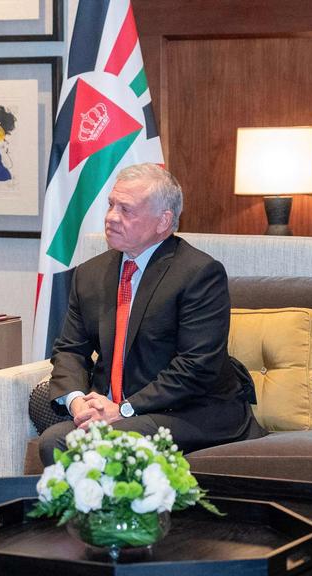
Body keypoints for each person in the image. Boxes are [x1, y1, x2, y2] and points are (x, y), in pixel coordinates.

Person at [39, 163, 262, 466]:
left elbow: (196, 367)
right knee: (53, 441)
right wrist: (78, 402)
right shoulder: (90, 274)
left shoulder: (198, 273)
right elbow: (69, 350)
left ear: (163, 221)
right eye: (111, 205)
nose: (111, 217)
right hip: (117, 407)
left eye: (126, 210)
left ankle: (126, 514)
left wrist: (124, 409)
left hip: (190, 410)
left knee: (97, 444)